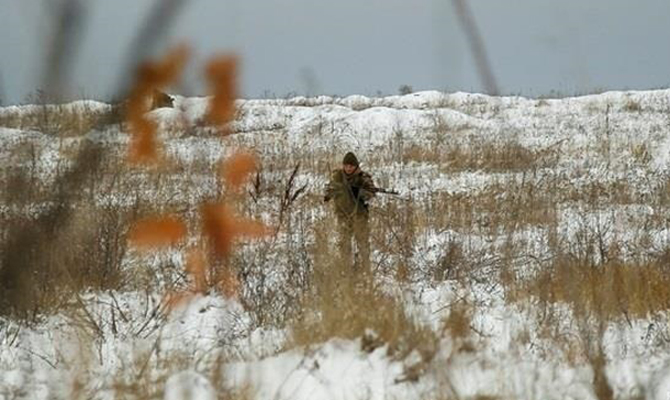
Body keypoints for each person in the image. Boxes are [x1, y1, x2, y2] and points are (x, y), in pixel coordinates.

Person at [324, 152, 376, 271]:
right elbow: (328, 191)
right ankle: (345, 269)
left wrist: (360, 193)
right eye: (346, 165)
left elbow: (371, 193)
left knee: (363, 244)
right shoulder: (337, 176)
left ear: (356, 166)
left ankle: (366, 268)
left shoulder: (363, 177)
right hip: (342, 215)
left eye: (351, 166)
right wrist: (331, 193)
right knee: (344, 245)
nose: (348, 168)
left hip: (359, 216)